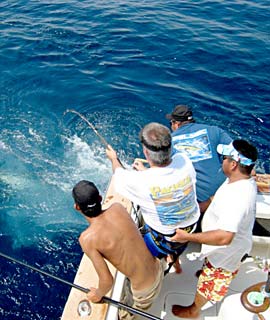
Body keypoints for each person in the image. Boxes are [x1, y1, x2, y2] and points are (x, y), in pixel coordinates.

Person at [169, 139, 258, 319]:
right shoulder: (238, 180)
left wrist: (188, 237)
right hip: (220, 251)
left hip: (225, 253)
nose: (221, 160)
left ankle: (194, 310)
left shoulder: (239, 197)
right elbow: (217, 198)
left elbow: (225, 237)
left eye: (224, 158)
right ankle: (207, 269)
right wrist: (200, 206)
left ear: (233, 164)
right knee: (210, 268)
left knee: (211, 282)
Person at [106, 122, 200, 272]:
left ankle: (161, 265)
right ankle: (176, 264)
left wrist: (113, 158)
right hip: (190, 229)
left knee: (149, 258)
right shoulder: (184, 161)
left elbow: (118, 173)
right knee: (177, 247)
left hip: (164, 237)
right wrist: (145, 171)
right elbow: (166, 179)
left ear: (146, 152)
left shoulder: (141, 182)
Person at [72, 180, 164, 319]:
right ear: (100, 198)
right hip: (158, 267)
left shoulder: (87, 239)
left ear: (77, 207)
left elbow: (107, 281)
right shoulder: (118, 208)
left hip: (145, 292)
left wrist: (96, 295)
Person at [166, 105, 232, 213]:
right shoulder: (215, 130)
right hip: (223, 190)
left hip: (198, 200)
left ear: (176, 124)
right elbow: (237, 153)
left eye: (171, 123)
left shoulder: (169, 141)